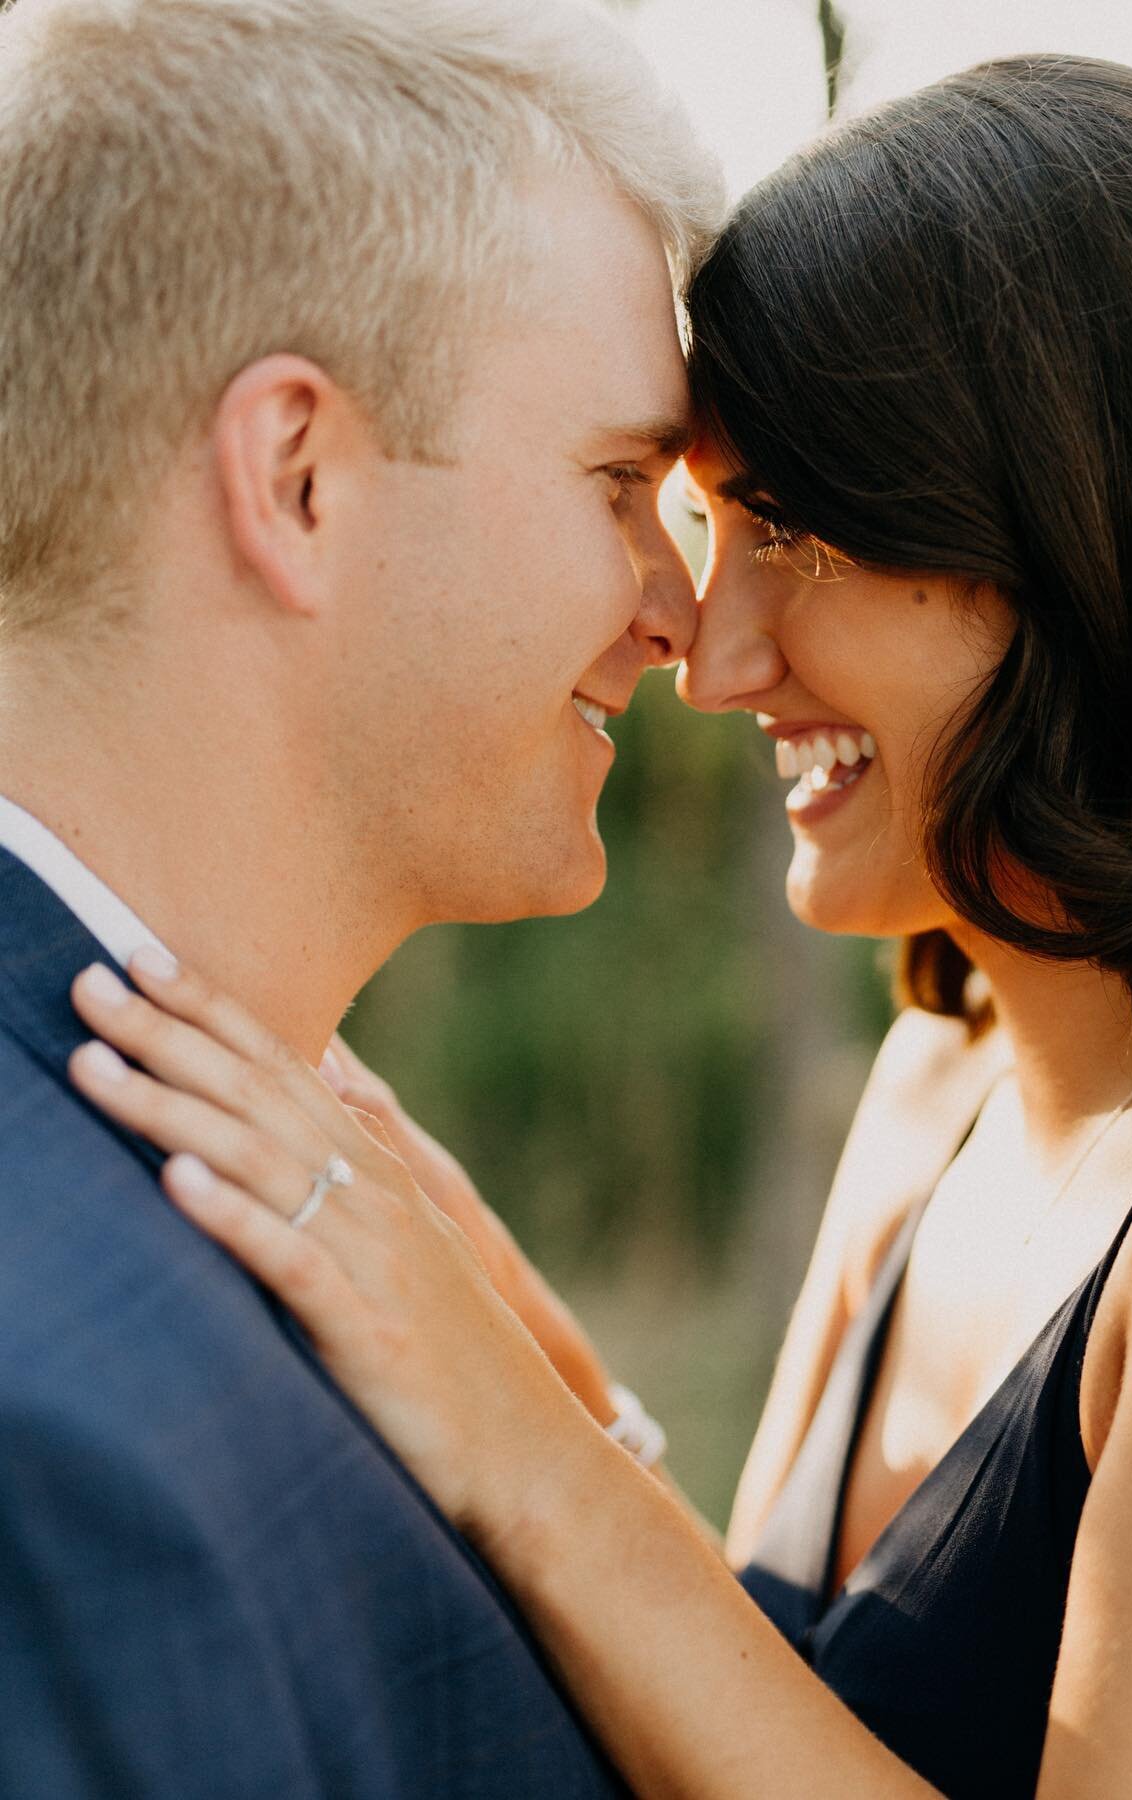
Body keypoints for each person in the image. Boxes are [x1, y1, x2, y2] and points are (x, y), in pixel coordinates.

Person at [68, 51, 1132, 1800]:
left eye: (792, 531)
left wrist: (521, 1447)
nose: (710, 661)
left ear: (1091, 535)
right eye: (711, 526)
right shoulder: (937, 1074)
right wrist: (540, 1378)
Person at [0, 0, 719, 1793]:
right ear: (297, 477)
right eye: (621, 483)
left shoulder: (288, 1203)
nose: (681, 616)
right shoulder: (48, 1423)